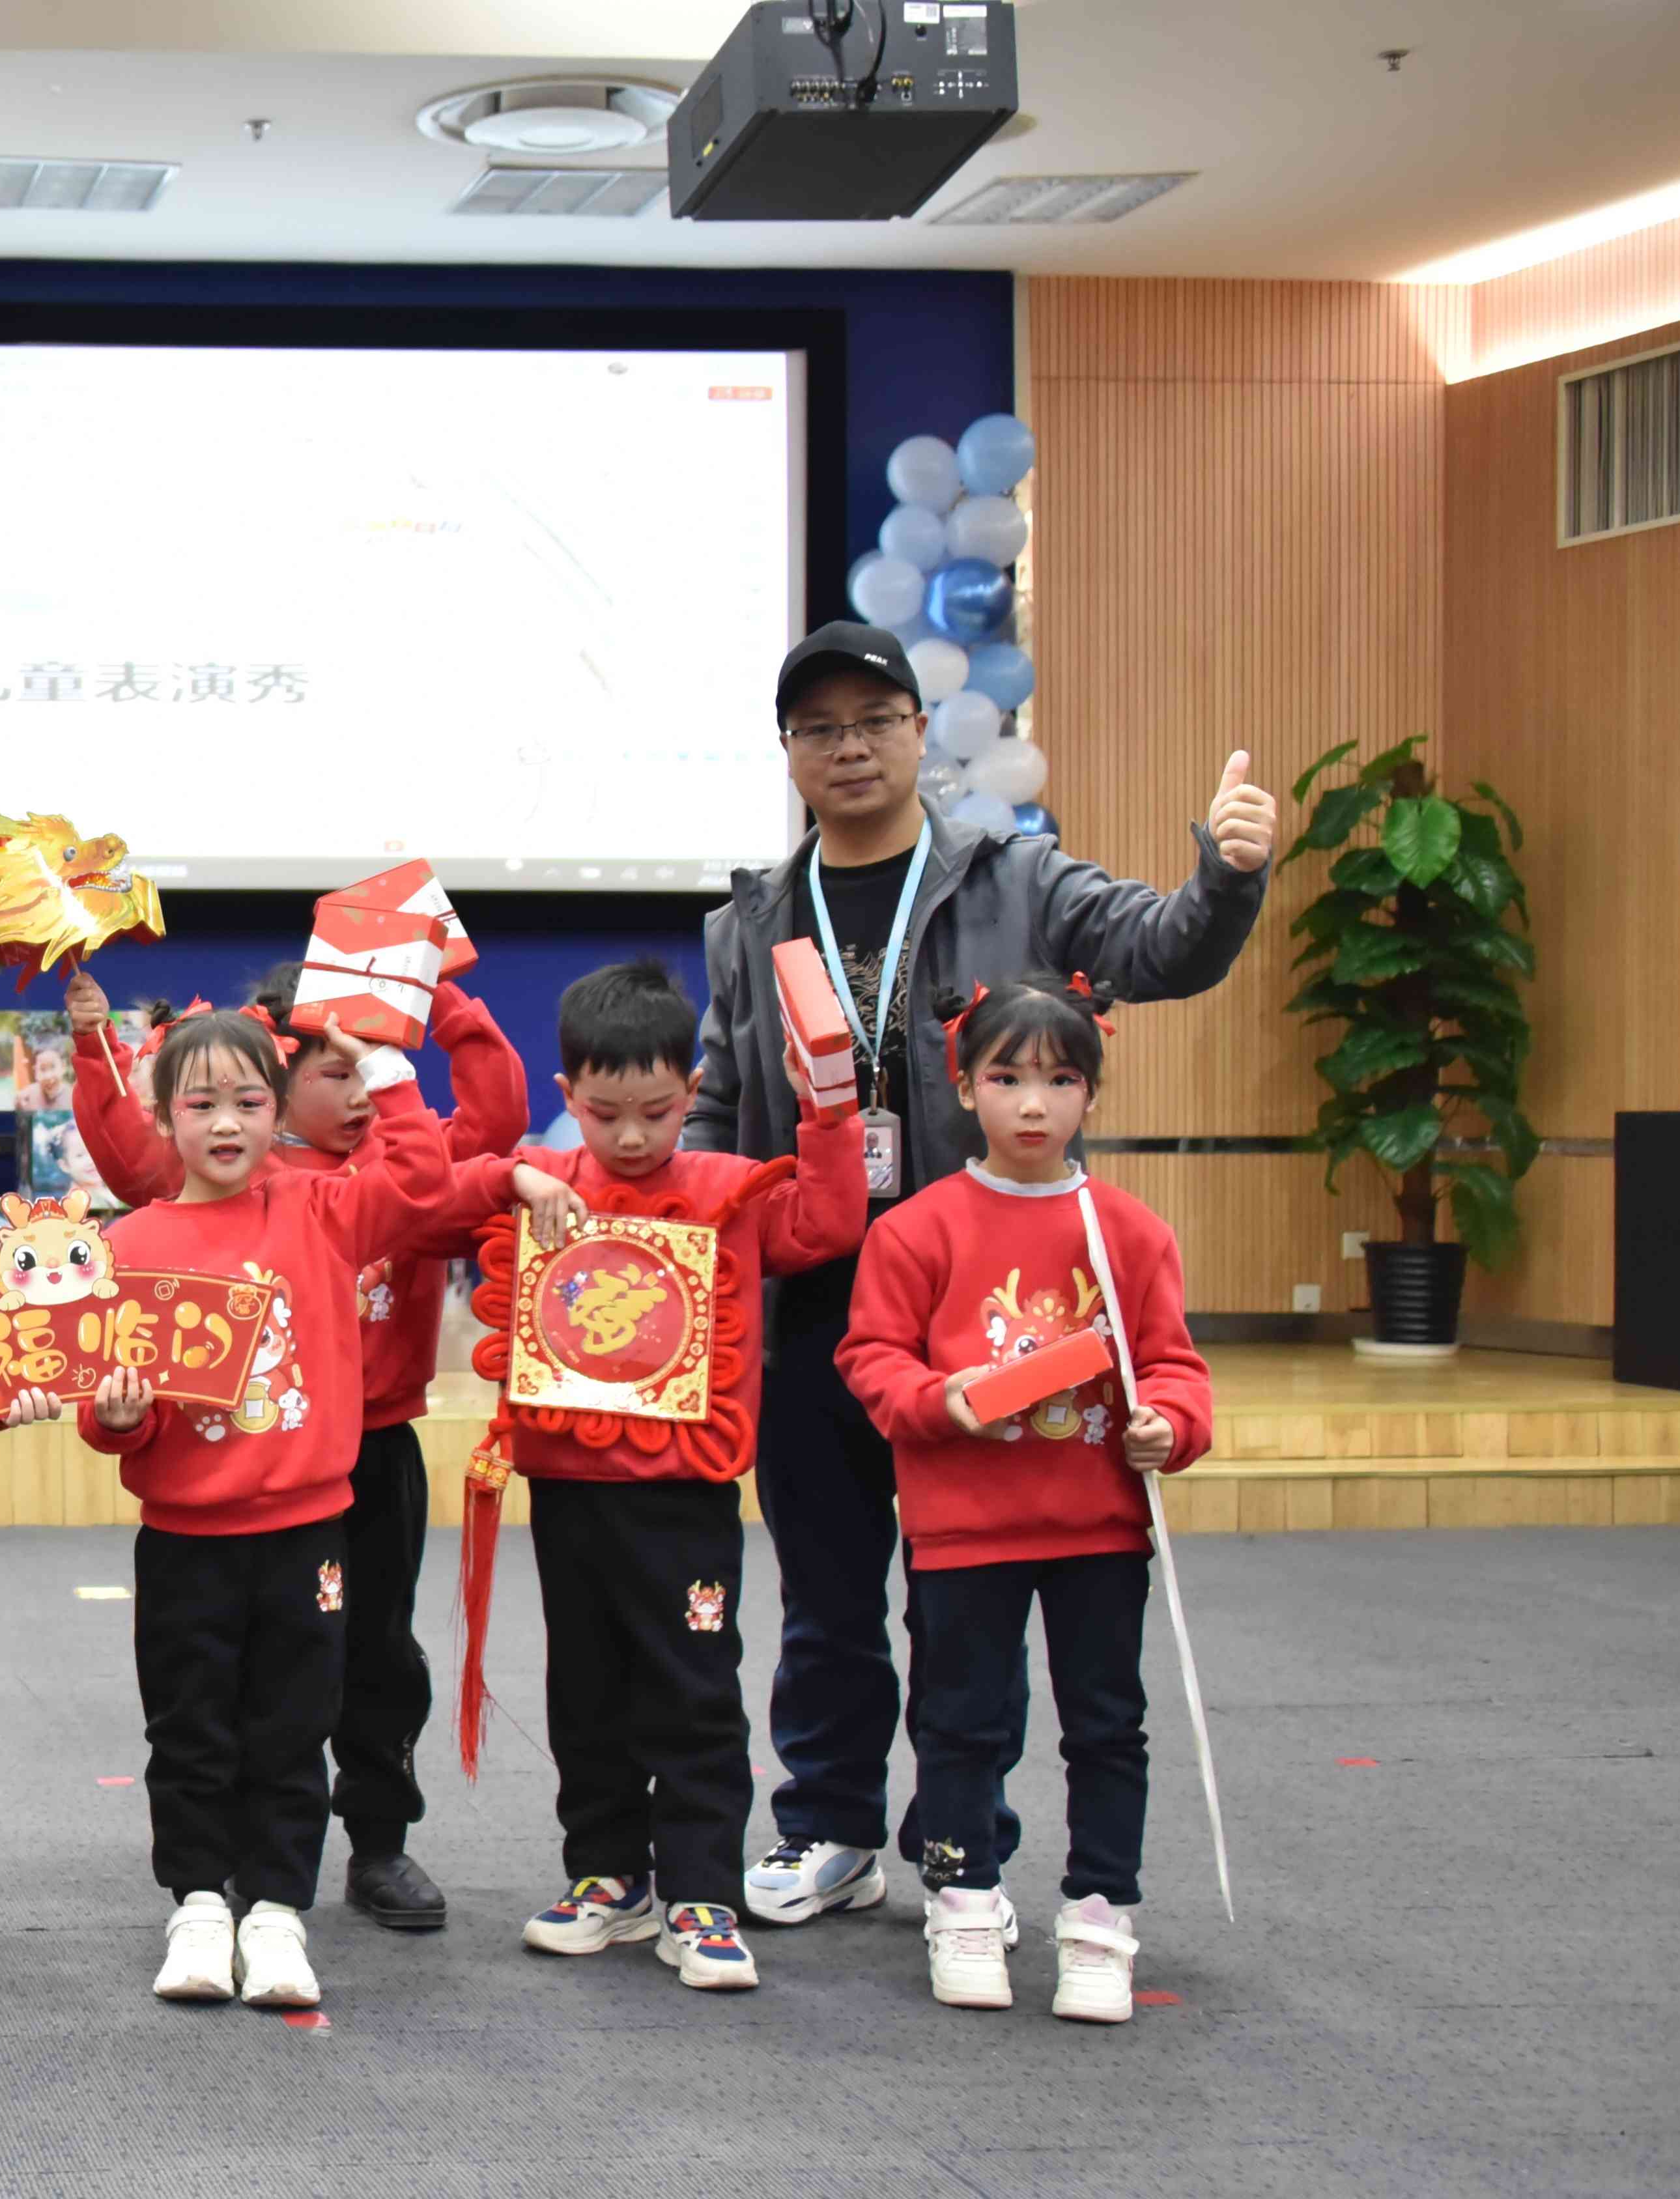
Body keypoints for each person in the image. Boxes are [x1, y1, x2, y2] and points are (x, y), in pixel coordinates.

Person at [691, 621, 1274, 1931]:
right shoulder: (752, 917)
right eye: (818, 728)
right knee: (826, 1594)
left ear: (915, 733)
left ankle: (963, 1846)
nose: (847, 747)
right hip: (814, 1303)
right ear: (787, 752)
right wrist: (699, 1236)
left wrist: (1227, 874)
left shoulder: (1014, 880)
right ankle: (829, 1824)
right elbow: (723, 1096)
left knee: (970, 1597)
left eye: (871, 721)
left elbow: (1161, 948)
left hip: (990, 1310)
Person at [64, 1006, 530, 2011]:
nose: (225, 1123)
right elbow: (105, 1421)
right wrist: (118, 1418)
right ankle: (199, 1904)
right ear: (164, 1119)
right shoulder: (130, 1244)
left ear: (276, 1113)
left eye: (247, 1102)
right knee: (188, 1726)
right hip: (184, 1539)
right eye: (200, 1104)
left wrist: (381, 1065)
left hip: (306, 1535)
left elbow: (419, 1179)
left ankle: (277, 1910)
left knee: (292, 1726)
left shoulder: (321, 1210)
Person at [835, 976, 1211, 2024]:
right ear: (963, 1087)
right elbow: (870, 1356)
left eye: (1060, 1080)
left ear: (1092, 1092)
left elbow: (1173, 1366)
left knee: (1107, 1727)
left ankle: (1099, 1917)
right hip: (964, 1531)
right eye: (1006, 1079)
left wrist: (1169, 1425)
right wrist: (938, 1399)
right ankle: (962, 1899)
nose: (1033, 1104)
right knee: (960, 1722)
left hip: (1099, 1528)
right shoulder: (919, 1229)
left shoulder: (1129, 1231)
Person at [489, 961, 862, 1993]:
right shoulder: (540, 1181)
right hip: (569, 1492)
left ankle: (702, 1893)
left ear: (692, 1090)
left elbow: (827, 1225)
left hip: (687, 1498)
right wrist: (510, 1180)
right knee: (586, 1690)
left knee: (693, 1690)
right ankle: (607, 1876)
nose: (632, 1137)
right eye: (604, 1114)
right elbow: (437, 1185)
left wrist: (829, 1114)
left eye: (656, 1112)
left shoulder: (724, 1189)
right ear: (566, 1095)